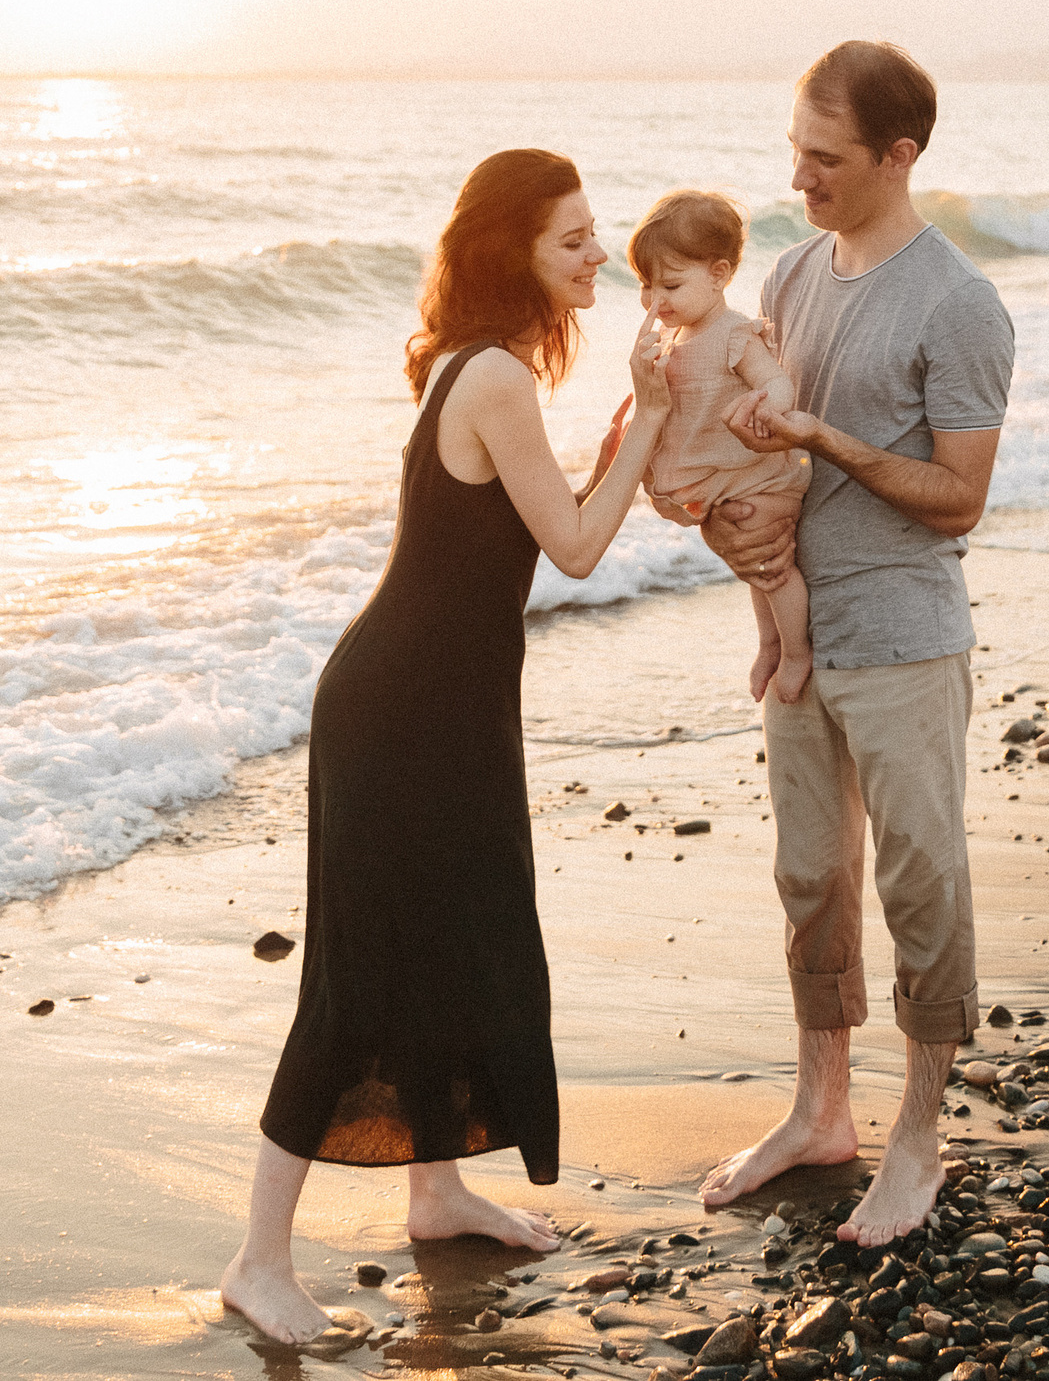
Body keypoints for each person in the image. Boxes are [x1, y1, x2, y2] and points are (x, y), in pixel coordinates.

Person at [219, 148, 672, 1345]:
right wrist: (651, 424)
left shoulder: (477, 367)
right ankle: (258, 1259)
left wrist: (630, 429)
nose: (595, 255)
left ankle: (437, 1190)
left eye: (593, 233)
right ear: (511, 251)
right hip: (400, 715)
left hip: (442, 709)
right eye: (572, 238)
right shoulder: (495, 380)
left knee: (460, 942)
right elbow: (572, 545)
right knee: (357, 979)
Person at [695, 42, 1014, 1247]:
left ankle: (917, 1139)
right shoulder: (785, 275)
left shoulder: (959, 302)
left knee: (918, 881)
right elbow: (766, 466)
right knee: (809, 880)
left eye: (823, 158)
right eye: (793, 149)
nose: (797, 175)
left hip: (903, 638)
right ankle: (818, 1110)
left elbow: (959, 496)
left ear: (899, 155)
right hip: (804, 642)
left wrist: (823, 437)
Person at [625, 189, 815, 703]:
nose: (656, 300)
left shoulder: (734, 334)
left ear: (719, 274)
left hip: (758, 473)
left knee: (772, 567)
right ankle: (770, 643)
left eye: (671, 284)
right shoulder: (675, 338)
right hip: (724, 476)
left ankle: (796, 653)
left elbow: (777, 383)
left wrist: (765, 407)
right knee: (753, 566)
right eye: (646, 286)